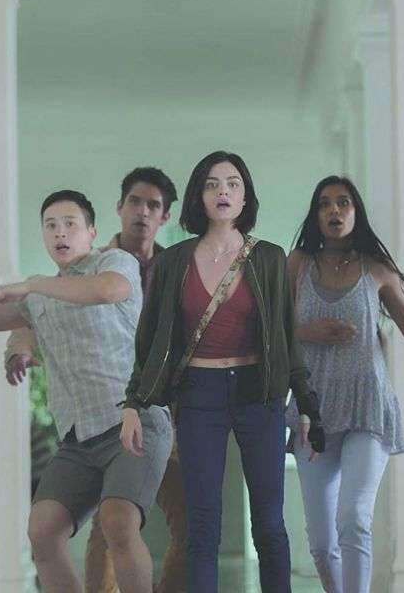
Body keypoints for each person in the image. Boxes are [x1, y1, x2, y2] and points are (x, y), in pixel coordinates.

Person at [119, 151, 322, 593]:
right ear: (199, 196)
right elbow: (148, 339)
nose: (222, 192)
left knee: (268, 523)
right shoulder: (173, 262)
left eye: (232, 183)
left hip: (258, 395)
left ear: (246, 197)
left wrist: (305, 403)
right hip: (198, 394)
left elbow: (286, 337)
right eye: (212, 184)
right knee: (203, 525)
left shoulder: (269, 258)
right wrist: (134, 402)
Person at [0, 189, 172, 593]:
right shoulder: (38, 298)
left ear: (91, 232)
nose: (60, 232)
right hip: (79, 440)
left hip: (134, 421)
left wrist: (34, 284)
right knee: (42, 531)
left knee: (118, 521)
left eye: (70, 224)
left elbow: (107, 290)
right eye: (50, 225)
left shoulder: (115, 262)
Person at [285, 175, 404, 593]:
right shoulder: (298, 263)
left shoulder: (376, 269)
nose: (334, 211)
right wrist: (309, 332)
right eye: (324, 204)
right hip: (312, 412)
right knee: (321, 542)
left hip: (368, 407)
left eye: (343, 203)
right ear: (315, 215)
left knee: (353, 519)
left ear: (356, 212)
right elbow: (270, 330)